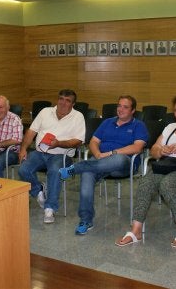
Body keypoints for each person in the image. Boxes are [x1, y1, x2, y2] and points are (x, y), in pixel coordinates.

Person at [115, 94, 176, 249]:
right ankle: (136, 229)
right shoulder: (170, 127)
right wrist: (162, 151)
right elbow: (154, 150)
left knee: (168, 183)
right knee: (146, 182)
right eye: (175, 109)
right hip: (169, 166)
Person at [58, 96, 148, 235]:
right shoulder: (107, 122)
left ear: (133, 110)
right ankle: (86, 220)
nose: (121, 109)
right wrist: (98, 154)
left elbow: (137, 148)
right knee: (87, 174)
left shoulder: (138, 125)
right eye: (119, 105)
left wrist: (111, 153)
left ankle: (76, 168)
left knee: (118, 159)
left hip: (124, 164)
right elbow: (94, 141)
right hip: (100, 161)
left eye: (125, 107)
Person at [18, 89, 85, 224]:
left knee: (55, 171)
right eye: (61, 99)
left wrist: (58, 143)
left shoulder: (78, 117)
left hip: (62, 155)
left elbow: (78, 141)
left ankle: (50, 208)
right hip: (40, 153)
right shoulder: (45, 112)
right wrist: (23, 149)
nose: (63, 103)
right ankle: (38, 191)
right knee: (23, 169)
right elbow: (31, 132)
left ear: (73, 104)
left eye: (68, 101)